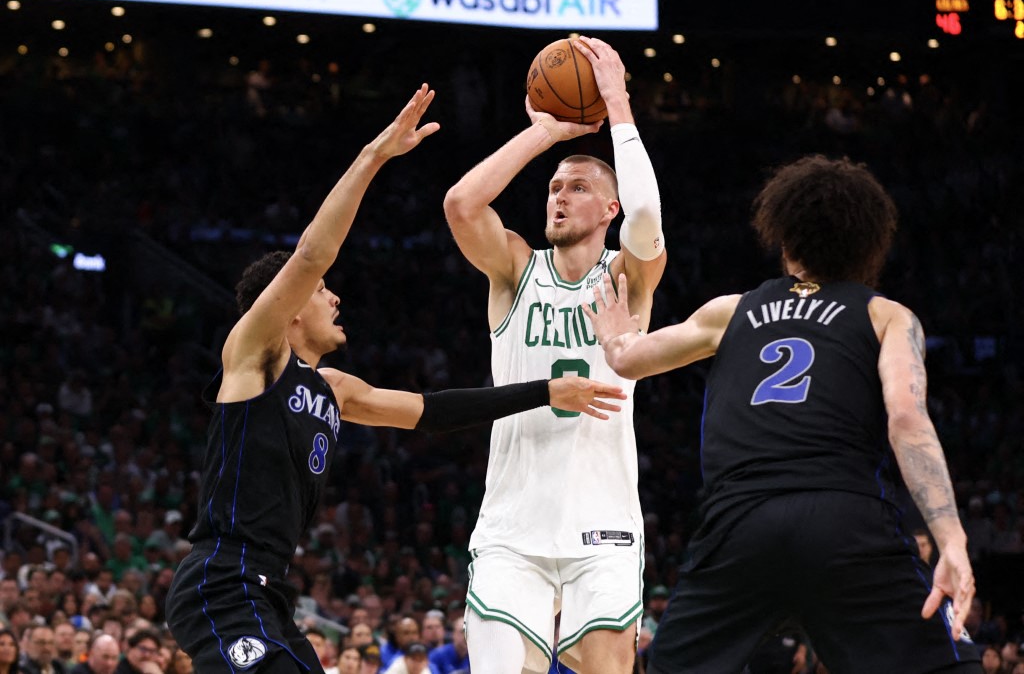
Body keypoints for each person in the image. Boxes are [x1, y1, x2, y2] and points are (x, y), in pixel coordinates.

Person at [164, 84, 625, 674]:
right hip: (221, 582)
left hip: (267, 592)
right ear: (292, 306)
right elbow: (311, 255)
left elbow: (433, 411)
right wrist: (374, 157)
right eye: (323, 293)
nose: (334, 297)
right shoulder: (253, 360)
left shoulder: (332, 389)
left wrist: (544, 393)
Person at [585, 154, 981, 673]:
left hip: (740, 523)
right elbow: (907, 419)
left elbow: (629, 360)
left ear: (785, 239)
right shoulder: (887, 315)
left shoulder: (731, 310)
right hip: (846, 520)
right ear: (867, 246)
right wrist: (952, 540)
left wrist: (615, 336)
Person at [443, 36, 666, 674]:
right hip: (514, 527)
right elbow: (461, 204)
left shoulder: (629, 275)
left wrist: (617, 104)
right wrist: (543, 133)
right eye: (552, 187)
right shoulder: (514, 269)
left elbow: (648, 212)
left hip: (604, 524)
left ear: (609, 208)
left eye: (575, 187)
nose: (558, 196)